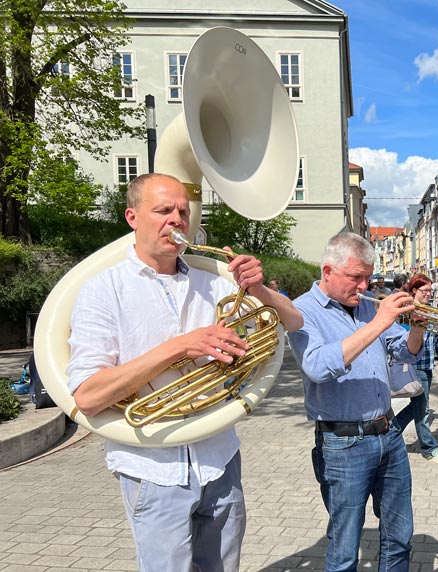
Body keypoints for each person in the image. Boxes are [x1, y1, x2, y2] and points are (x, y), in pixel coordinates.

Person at [66, 173, 304, 571]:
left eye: (182, 211)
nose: (176, 220)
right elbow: (88, 395)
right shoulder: (102, 290)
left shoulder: (215, 283)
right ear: (132, 217)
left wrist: (259, 290)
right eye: (163, 210)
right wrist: (179, 347)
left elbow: (293, 322)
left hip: (220, 456)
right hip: (152, 467)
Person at [286, 232, 424, 571]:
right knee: (345, 548)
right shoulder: (303, 311)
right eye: (355, 277)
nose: (364, 286)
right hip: (343, 442)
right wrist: (379, 323)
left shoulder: (366, 305)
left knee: (400, 536)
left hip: (388, 433)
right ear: (328, 271)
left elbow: (407, 350)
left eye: (368, 277)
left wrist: (418, 328)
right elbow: (318, 366)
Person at [394, 273, 438, 464]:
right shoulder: (404, 310)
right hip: (413, 365)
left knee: (417, 407)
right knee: (422, 409)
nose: (429, 294)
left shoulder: (433, 311)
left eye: (431, 290)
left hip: (427, 365)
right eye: (425, 291)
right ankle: (429, 448)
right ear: (414, 291)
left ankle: (389, 431)